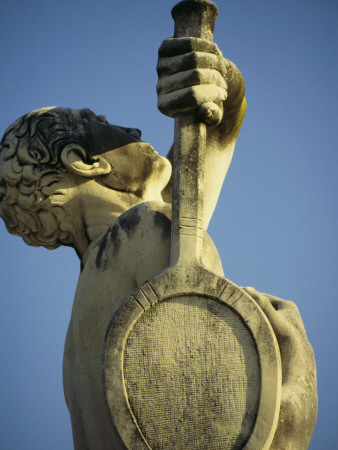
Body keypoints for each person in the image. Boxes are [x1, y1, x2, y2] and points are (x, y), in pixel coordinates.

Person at [0, 36, 316, 449]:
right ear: (84, 161)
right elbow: (212, 424)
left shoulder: (89, 306)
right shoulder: (145, 232)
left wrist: (223, 82)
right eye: (103, 121)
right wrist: (292, 380)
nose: (131, 129)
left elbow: (202, 161)